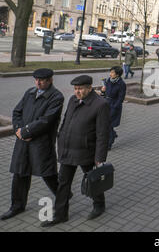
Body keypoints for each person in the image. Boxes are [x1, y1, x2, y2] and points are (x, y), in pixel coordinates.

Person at [41, 75, 110, 227]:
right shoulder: (72, 100)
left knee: (93, 179)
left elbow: (103, 134)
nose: (77, 92)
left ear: (89, 88)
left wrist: (99, 157)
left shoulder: (100, 105)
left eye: (80, 89)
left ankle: (99, 205)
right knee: (63, 184)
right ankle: (60, 215)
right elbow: (66, 120)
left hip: (86, 152)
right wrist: (61, 137)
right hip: (68, 150)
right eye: (75, 89)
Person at [1, 69, 64, 221]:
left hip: (41, 143)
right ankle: (17, 206)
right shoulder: (30, 92)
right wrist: (18, 130)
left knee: (48, 174)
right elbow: (17, 112)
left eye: (41, 80)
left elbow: (46, 121)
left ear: (50, 80)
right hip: (23, 142)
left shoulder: (56, 97)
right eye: (36, 79)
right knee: (20, 172)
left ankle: (64, 195)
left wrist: (27, 132)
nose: (37, 82)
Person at [101, 66, 126, 150]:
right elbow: (104, 94)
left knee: (108, 125)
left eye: (112, 72)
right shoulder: (108, 80)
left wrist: (115, 107)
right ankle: (113, 134)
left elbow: (121, 98)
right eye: (110, 72)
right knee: (106, 124)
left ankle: (109, 144)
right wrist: (103, 91)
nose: (110, 74)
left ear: (117, 74)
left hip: (114, 106)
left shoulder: (121, 84)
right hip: (106, 104)